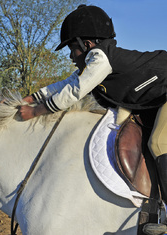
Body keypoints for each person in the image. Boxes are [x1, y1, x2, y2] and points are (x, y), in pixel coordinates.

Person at [19, 5, 167, 206]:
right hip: (158, 96)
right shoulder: (97, 61)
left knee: (158, 144)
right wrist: (29, 99)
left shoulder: (101, 58)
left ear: (87, 44)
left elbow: (75, 91)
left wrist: (36, 111)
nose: (71, 57)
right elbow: (65, 84)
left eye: (73, 49)